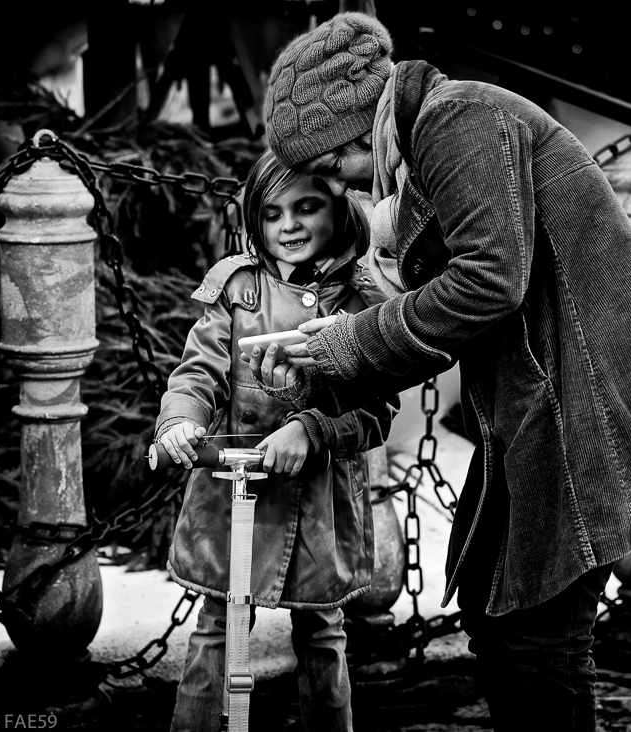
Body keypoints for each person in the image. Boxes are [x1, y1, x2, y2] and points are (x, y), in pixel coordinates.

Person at [248, 12, 631, 731]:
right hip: (546, 400)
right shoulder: (432, 140)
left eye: (330, 170)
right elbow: (462, 308)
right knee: (491, 602)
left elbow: (488, 282)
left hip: (589, 400)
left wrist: (355, 338)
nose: (340, 188)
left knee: (538, 634)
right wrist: (336, 356)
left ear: (354, 132)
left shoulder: (459, 119)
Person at [154, 149, 398, 732]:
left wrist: (312, 430)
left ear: (339, 208)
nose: (288, 226)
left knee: (322, 630)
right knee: (217, 626)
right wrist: (180, 421)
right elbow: (197, 372)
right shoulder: (238, 289)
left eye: (306, 207)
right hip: (234, 497)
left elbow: (376, 410)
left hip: (319, 504)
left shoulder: (363, 300)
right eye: (271, 213)